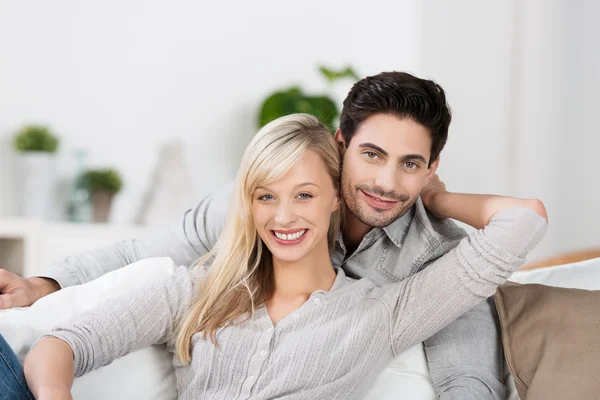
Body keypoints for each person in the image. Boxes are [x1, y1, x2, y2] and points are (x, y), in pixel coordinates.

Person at [0, 72, 544, 398]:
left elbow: (468, 382)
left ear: (430, 167)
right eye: (372, 155)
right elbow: (138, 258)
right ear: (340, 151)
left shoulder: (392, 303)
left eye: (410, 164)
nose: (384, 181)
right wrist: (44, 284)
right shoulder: (206, 282)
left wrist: (436, 197)